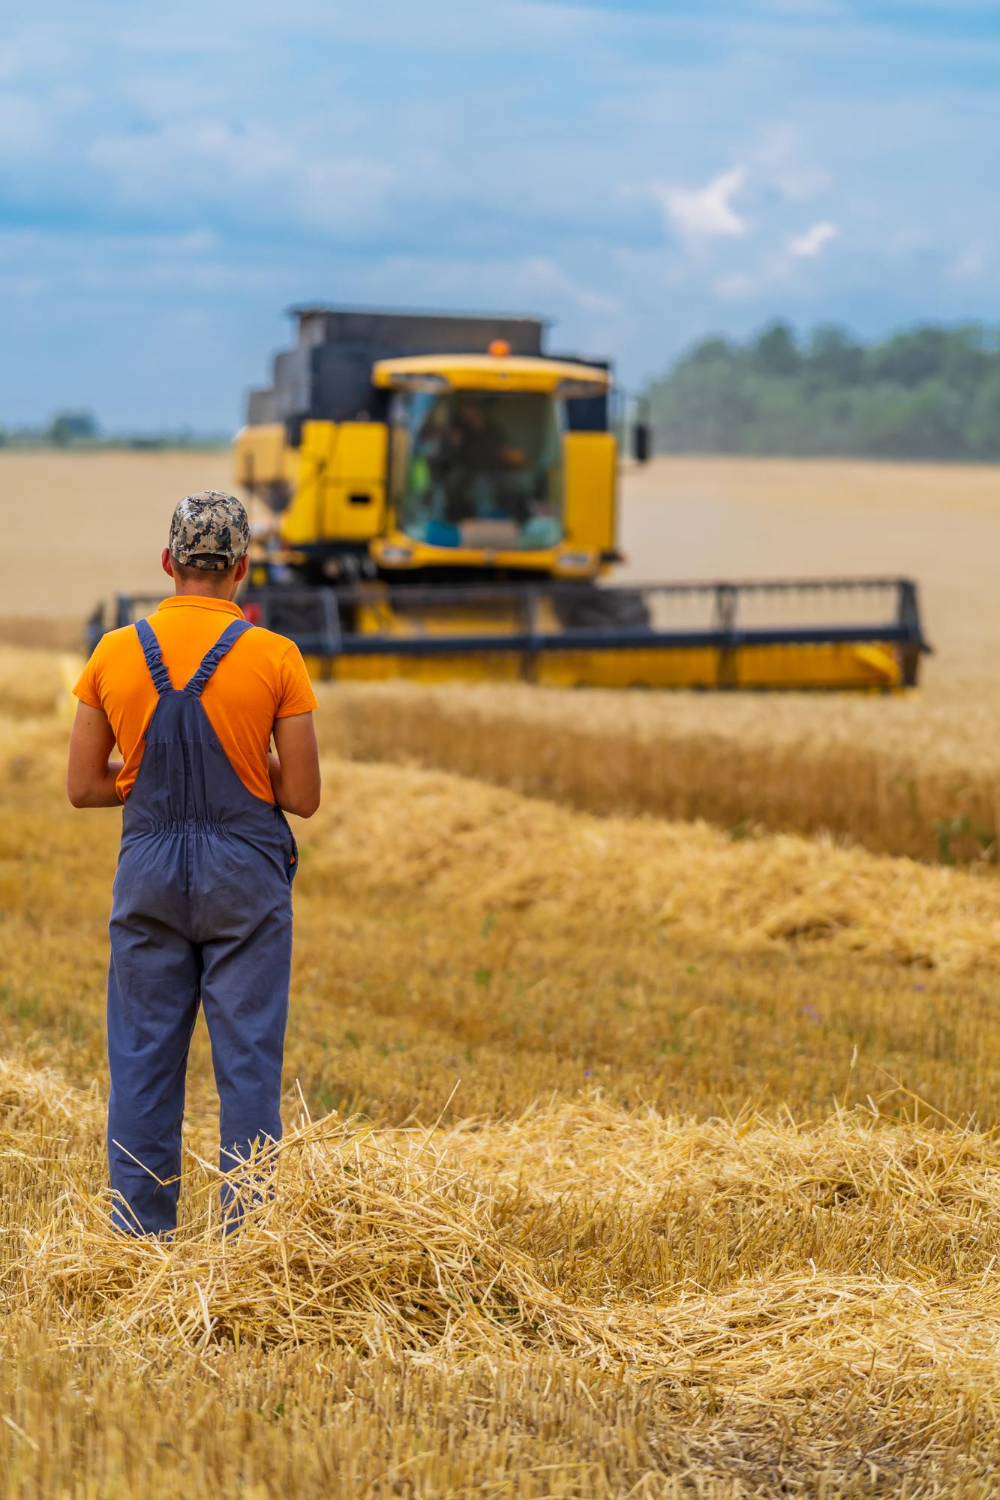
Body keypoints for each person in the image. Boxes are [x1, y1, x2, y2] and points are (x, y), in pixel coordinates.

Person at [67, 491, 321, 1236]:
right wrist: (245, 769)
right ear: (242, 568)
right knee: (247, 1065)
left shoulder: (115, 652)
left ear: (169, 563)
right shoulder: (276, 656)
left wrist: (146, 772)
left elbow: (83, 786)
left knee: (143, 1060)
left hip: (147, 869)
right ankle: (249, 1243)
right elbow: (302, 795)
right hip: (244, 873)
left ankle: (140, 1243)